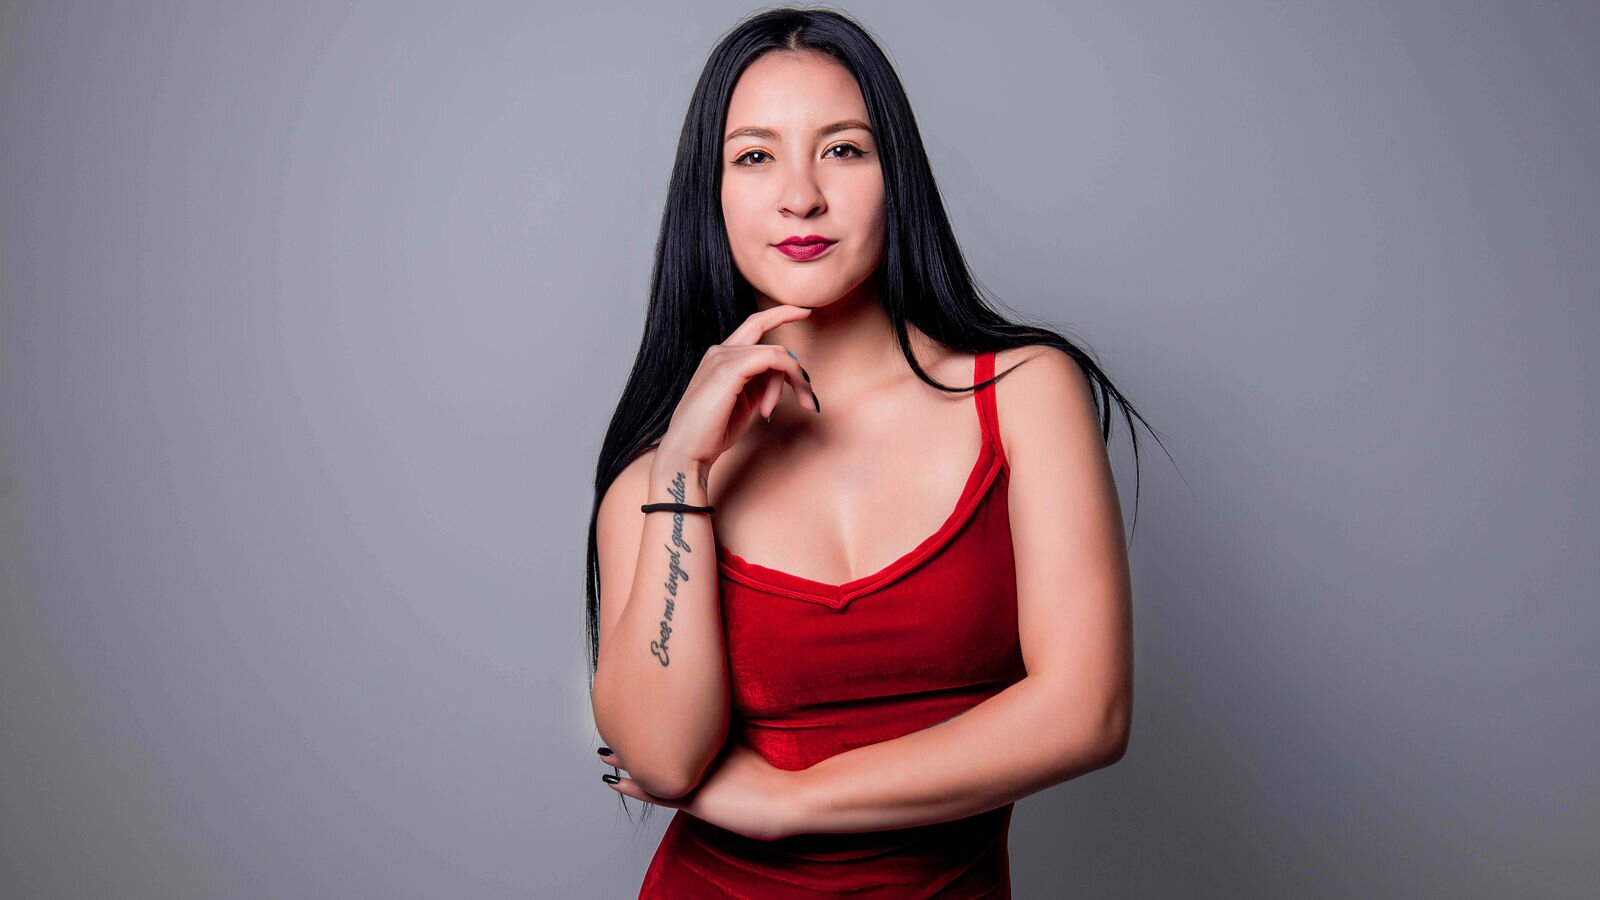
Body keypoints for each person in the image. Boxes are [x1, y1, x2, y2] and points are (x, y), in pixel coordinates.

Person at [584, 8, 1164, 897]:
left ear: (899, 176)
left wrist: (795, 801)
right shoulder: (655, 483)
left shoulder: (1023, 393)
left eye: (844, 149)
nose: (801, 196)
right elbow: (662, 759)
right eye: (754, 156)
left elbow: (1089, 712)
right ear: (711, 195)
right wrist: (683, 472)